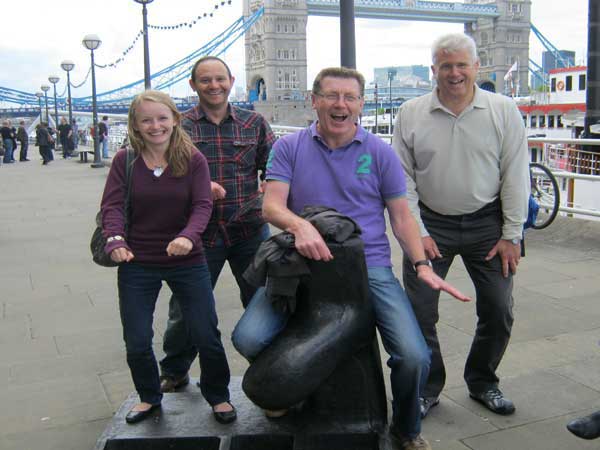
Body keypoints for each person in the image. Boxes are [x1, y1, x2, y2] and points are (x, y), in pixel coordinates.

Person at [231, 67, 471, 450]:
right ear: (314, 100)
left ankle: (406, 429)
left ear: (360, 104)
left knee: (413, 356)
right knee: (247, 338)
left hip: (368, 267)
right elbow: (272, 206)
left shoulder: (380, 153)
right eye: (331, 95)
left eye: (349, 97)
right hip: (301, 263)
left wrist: (422, 265)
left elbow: (401, 217)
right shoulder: (289, 148)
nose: (340, 105)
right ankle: (301, 384)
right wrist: (300, 226)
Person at [393, 33, 530, 419]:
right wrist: (417, 231)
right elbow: (401, 181)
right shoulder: (411, 112)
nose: (454, 73)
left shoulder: (504, 110)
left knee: (499, 308)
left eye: (461, 65)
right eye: (445, 66)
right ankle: (428, 387)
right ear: (433, 69)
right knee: (420, 313)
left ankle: (483, 381)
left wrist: (511, 235)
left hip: (488, 224)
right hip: (430, 225)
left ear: (476, 68)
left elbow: (515, 176)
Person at [100, 90, 236, 425]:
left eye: (162, 118)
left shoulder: (193, 160)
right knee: (136, 339)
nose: (155, 126)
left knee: (205, 332)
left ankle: (218, 396)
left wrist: (188, 237)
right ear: (135, 124)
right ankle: (149, 396)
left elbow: (203, 204)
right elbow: (112, 207)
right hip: (137, 261)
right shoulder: (125, 160)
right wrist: (114, 240)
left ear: (175, 119)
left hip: (186, 260)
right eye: (146, 120)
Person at [159, 55, 275, 393]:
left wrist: (272, 186)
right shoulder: (176, 127)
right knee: (185, 306)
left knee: (264, 301)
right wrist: (191, 186)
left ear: (231, 81)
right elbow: (154, 173)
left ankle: (271, 367)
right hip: (196, 234)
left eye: (220, 79)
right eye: (205, 80)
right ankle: (175, 369)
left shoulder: (254, 123)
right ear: (193, 85)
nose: (214, 85)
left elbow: (274, 167)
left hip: (248, 230)